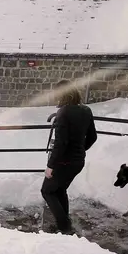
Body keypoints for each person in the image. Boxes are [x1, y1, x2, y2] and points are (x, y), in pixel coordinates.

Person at [41, 79, 98, 235]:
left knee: (47, 191)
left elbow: (61, 143)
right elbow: (93, 137)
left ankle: (65, 227)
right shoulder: (86, 110)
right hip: (77, 161)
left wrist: (51, 166)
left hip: (63, 162)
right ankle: (65, 224)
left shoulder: (64, 112)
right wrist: (80, 150)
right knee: (60, 190)